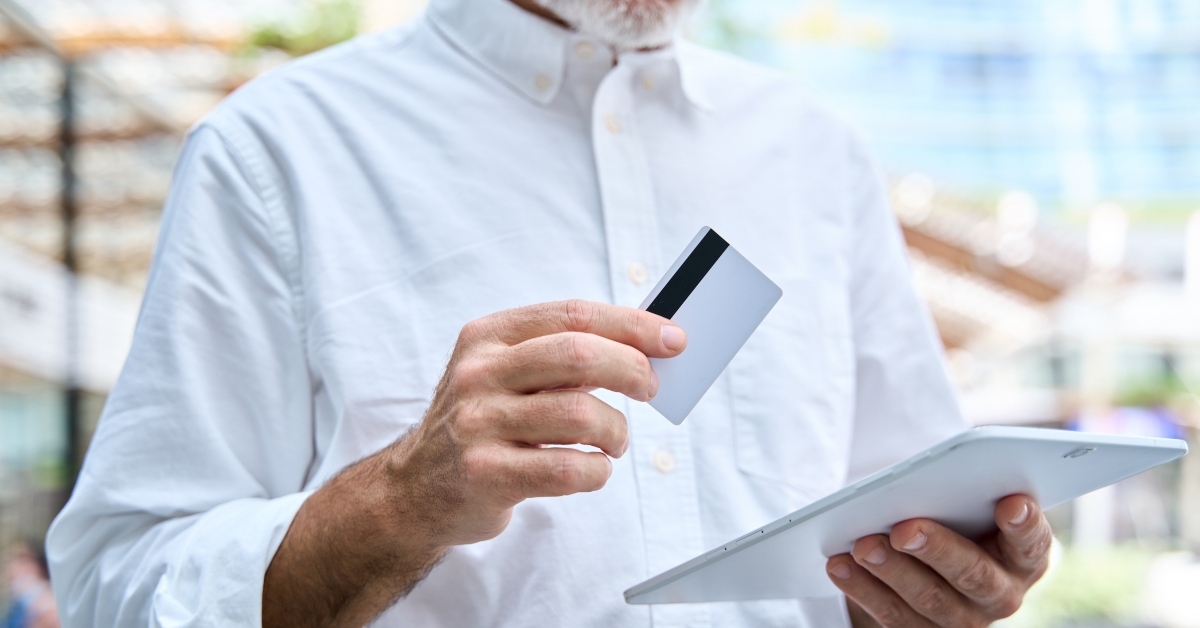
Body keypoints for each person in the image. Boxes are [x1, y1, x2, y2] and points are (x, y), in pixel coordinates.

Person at [46, 0, 1053, 625]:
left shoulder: (815, 152)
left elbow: (896, 531)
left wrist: (933, 591)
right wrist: (401, 500)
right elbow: (114, 589)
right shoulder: (277, 153)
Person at [4, 540, 59, 628]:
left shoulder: (49, 603)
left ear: (38, 566)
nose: (14, 567)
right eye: (11, 562)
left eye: (23, 561)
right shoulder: (17, 606)